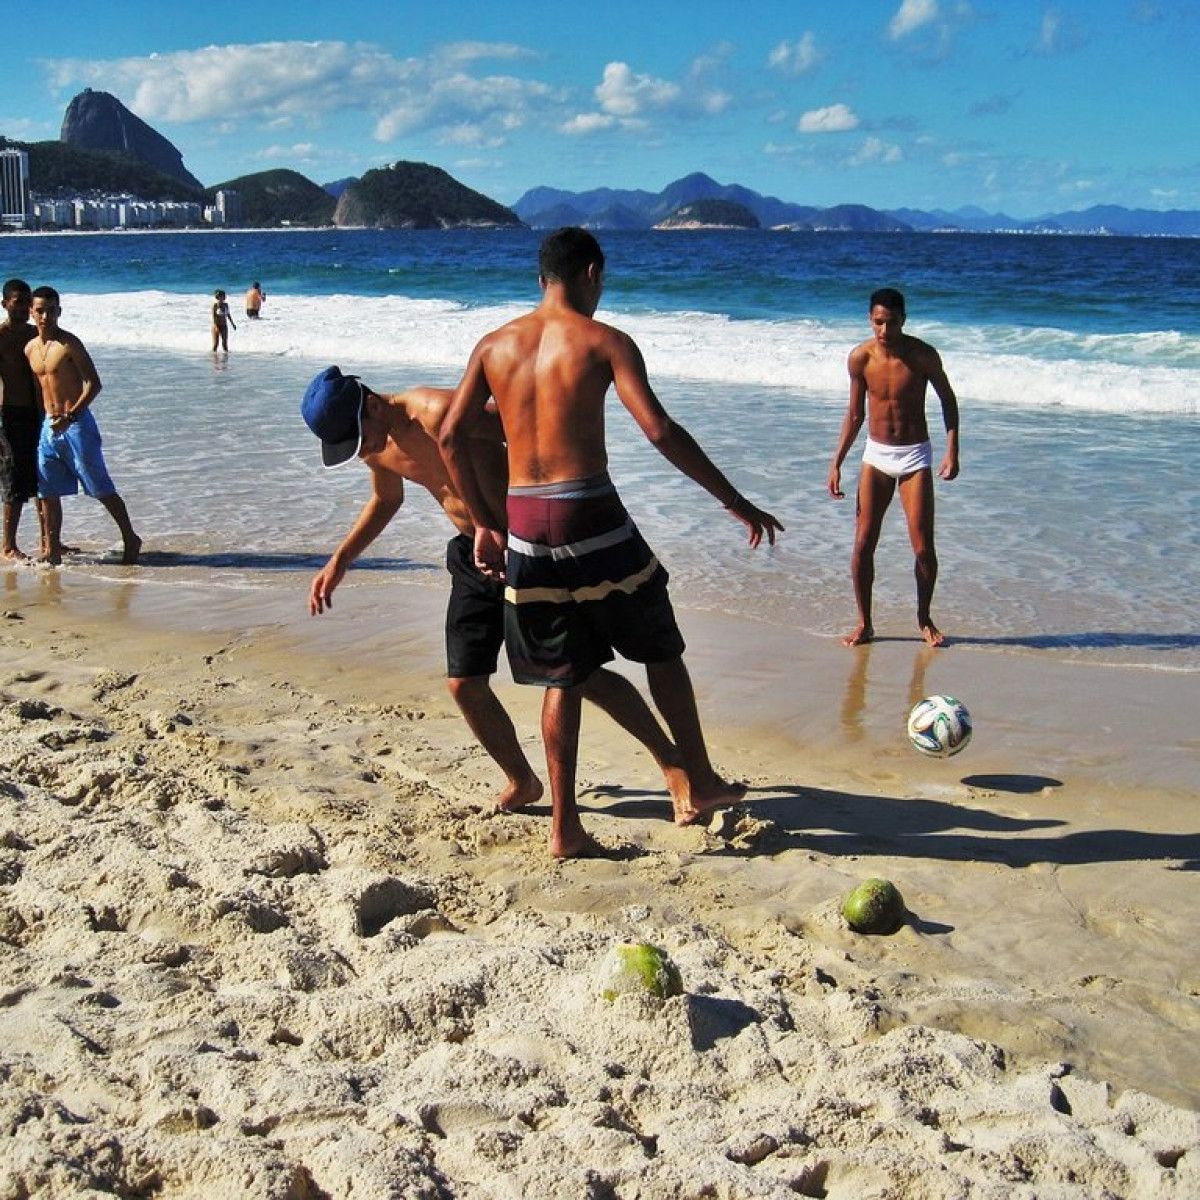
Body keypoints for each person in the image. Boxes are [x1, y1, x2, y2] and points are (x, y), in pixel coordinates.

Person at [439, 227, 783, 859]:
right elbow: (658, 429)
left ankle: (565, 828)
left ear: (542, 278)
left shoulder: (493, 346)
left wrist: (486, 521)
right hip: (588, 512)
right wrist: (735, 501)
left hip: (523, 521)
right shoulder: (604, 341)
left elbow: (451, 435)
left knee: (562, 674)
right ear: (592, 272)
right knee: (660, 646)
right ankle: (700, 780)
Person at [301, 364, 692, 818]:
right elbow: (387, 499)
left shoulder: (436, 411)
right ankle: (522, 781)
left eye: (358, 437)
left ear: (370, 403)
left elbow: (526, 430)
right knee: (464, 683)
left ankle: (672, 764)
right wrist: (340, 560)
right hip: (473, 555)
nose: (362, 449)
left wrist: (557, 511)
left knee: (576, 675)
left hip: (526, 548)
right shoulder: (376, 446)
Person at [827, 287, 960, 648]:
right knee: (862, 544)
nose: (884, 330)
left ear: (904, 319)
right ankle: (865, 623)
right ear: (870, 319)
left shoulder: (923, 356)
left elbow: (948, 401)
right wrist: (836, 462)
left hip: (915, 456)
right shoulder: (860, 358)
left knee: (922, 548)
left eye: (892, 322)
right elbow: (855, 414)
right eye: (878, 322)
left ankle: (924, 618)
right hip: (876, 456)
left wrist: (952, 451)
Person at [25, 286, 141, 566]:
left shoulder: (68, 344)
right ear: (31, 312)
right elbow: (38, 390)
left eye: (51, 310)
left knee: (99, 487)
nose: (45, 316)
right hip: (48, 428)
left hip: (76, 426)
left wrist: (71, 415)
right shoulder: (30, 348)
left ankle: (130, 537)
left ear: (59, 312)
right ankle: (52, 552)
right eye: (40, 310)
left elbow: (93, 383)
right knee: (47, 491)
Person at [0, 278, 43, 560]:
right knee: (14, 478)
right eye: (17, 301)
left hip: (37, 412)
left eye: (27, 302)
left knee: (43, 475)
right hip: (8, 413)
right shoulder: (0, 336)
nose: (23, 307)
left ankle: (49, 541)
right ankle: (8, 545)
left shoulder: (35, 333)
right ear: (5, 304)